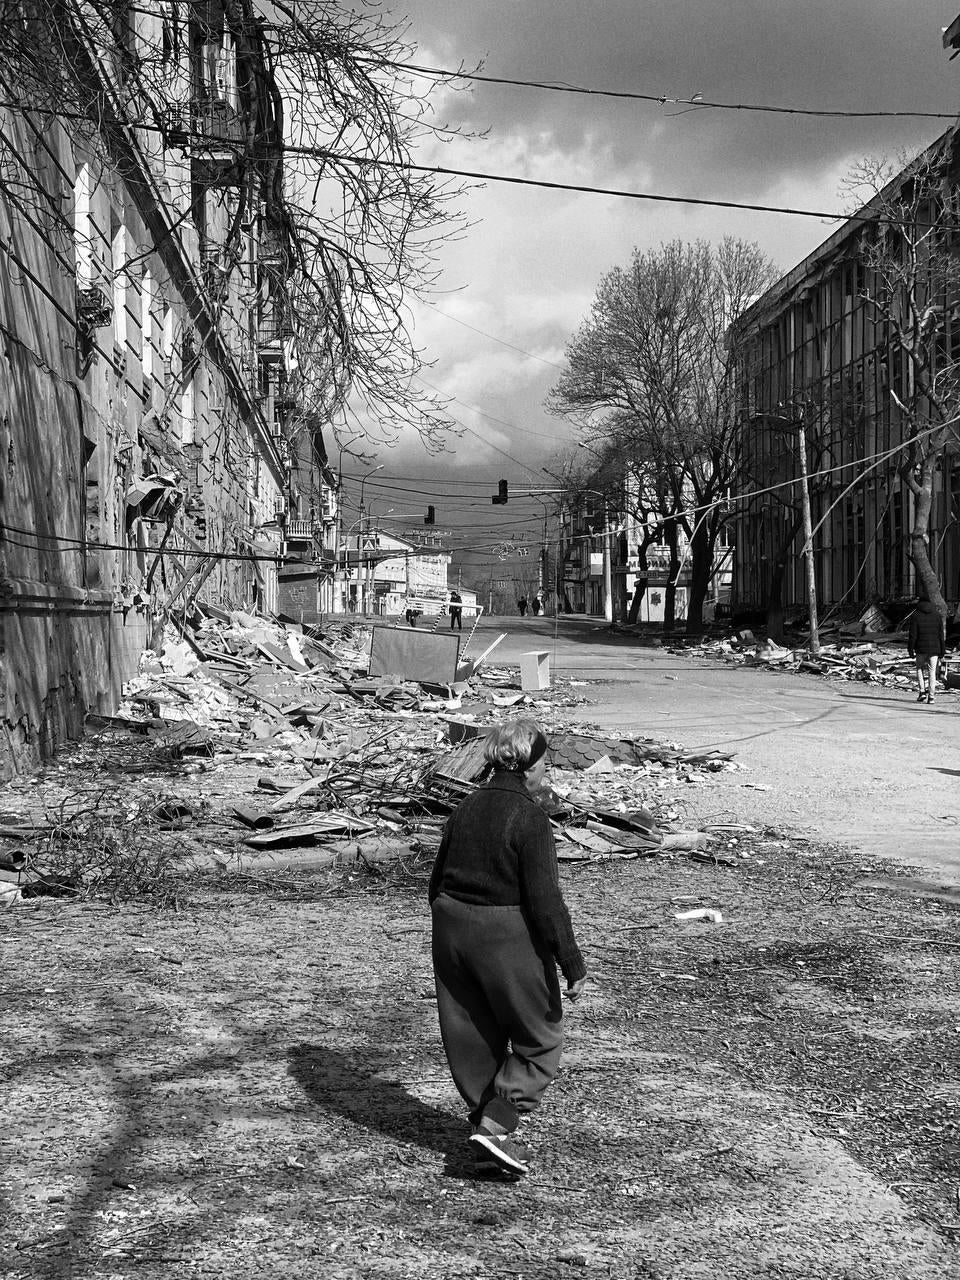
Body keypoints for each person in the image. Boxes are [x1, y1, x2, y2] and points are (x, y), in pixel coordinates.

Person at [428, 718, 587, 1177]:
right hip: (505, 930)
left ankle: (485, 1126)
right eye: (545, 764)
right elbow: (545, 900)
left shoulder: (465, 807)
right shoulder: (530, 818)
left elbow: (436, 881)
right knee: (541, 1036)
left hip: (451, 924)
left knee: (472, 1032)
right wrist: (571, 961)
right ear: (529, 764)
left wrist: (451, 925)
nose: (547, 774)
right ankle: (496, 1124)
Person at [908, 591, 946, 704]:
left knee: (919, 669)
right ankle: (932, 697)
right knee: (932, 672)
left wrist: (910, 649)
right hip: (934, 649)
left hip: (920, 649)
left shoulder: (915, 616)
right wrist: (942, 651)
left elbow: (913, 635)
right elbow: (941, 634)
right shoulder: (937, 615)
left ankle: (922, 692)